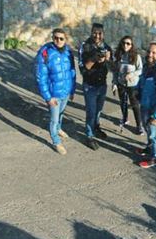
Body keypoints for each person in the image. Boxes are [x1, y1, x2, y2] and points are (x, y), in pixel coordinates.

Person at [34, 28, 76, 155]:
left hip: (66, 91)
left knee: (61, 114)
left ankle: (58, 129)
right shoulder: (45, 53)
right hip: (54, 95)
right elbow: (41, 77)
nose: (58, 40)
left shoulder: (68, 52)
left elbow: (72, 72)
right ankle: (56, 141)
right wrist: (48, 97)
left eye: (61, 38)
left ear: (65, 39)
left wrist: (72, 89)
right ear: (52, 38)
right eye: (55, 38)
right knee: (54, 118)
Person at [78, 22, 113, 150]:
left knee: (98, 111)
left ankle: (96, 128)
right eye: (95, 33)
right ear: (91, 32)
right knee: (91, 112)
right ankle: (89, 135)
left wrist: (108, 60)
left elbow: (112, 68)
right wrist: (94, 59)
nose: (97, 36)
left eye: (100, 33)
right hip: (90, 85)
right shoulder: (85, 46)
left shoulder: (107, 47)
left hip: (102, 84)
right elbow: (82, 69)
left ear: (103, 34)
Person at [111, 36, 144, 135]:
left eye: (128, 43)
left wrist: (132, 74)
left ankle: (139, 126)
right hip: (121, 83)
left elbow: (140, 69)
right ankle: (124, 118)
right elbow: (115, 71)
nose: (125, 45)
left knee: (135, 105)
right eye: (124, 43)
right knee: (123, 102)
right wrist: (114, 83)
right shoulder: (118, 55)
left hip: (133, 84)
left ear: (131, 45)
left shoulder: (136, 56)